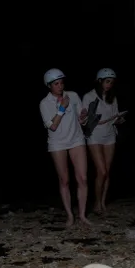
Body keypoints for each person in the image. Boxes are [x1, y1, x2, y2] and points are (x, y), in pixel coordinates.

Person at [39, 68, 90, 226]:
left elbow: (82, 121)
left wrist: (83, 117)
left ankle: (82, 215)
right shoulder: (44, 103)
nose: (60, 86)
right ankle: (70, 216)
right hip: (57, 142)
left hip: (76, 139)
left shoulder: (73, 95)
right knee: (64, 180)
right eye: (56, 84)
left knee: (82, 177)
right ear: (49, 86)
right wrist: (62, 108)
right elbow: (52, 127)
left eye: (61, 83)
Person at [81, 68, 126, 214]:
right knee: (101, 170)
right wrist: (85, 117)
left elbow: (115, 116)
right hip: (94, 135)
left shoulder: (112, 97)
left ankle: (102, 203)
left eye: (111, 82)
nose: (109, 85)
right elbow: (84, 118)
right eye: (107, 81)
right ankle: (96, 203)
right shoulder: (89, 96)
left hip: (109, 135)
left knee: (107, 172)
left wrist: (119, 119)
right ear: (99, 81)